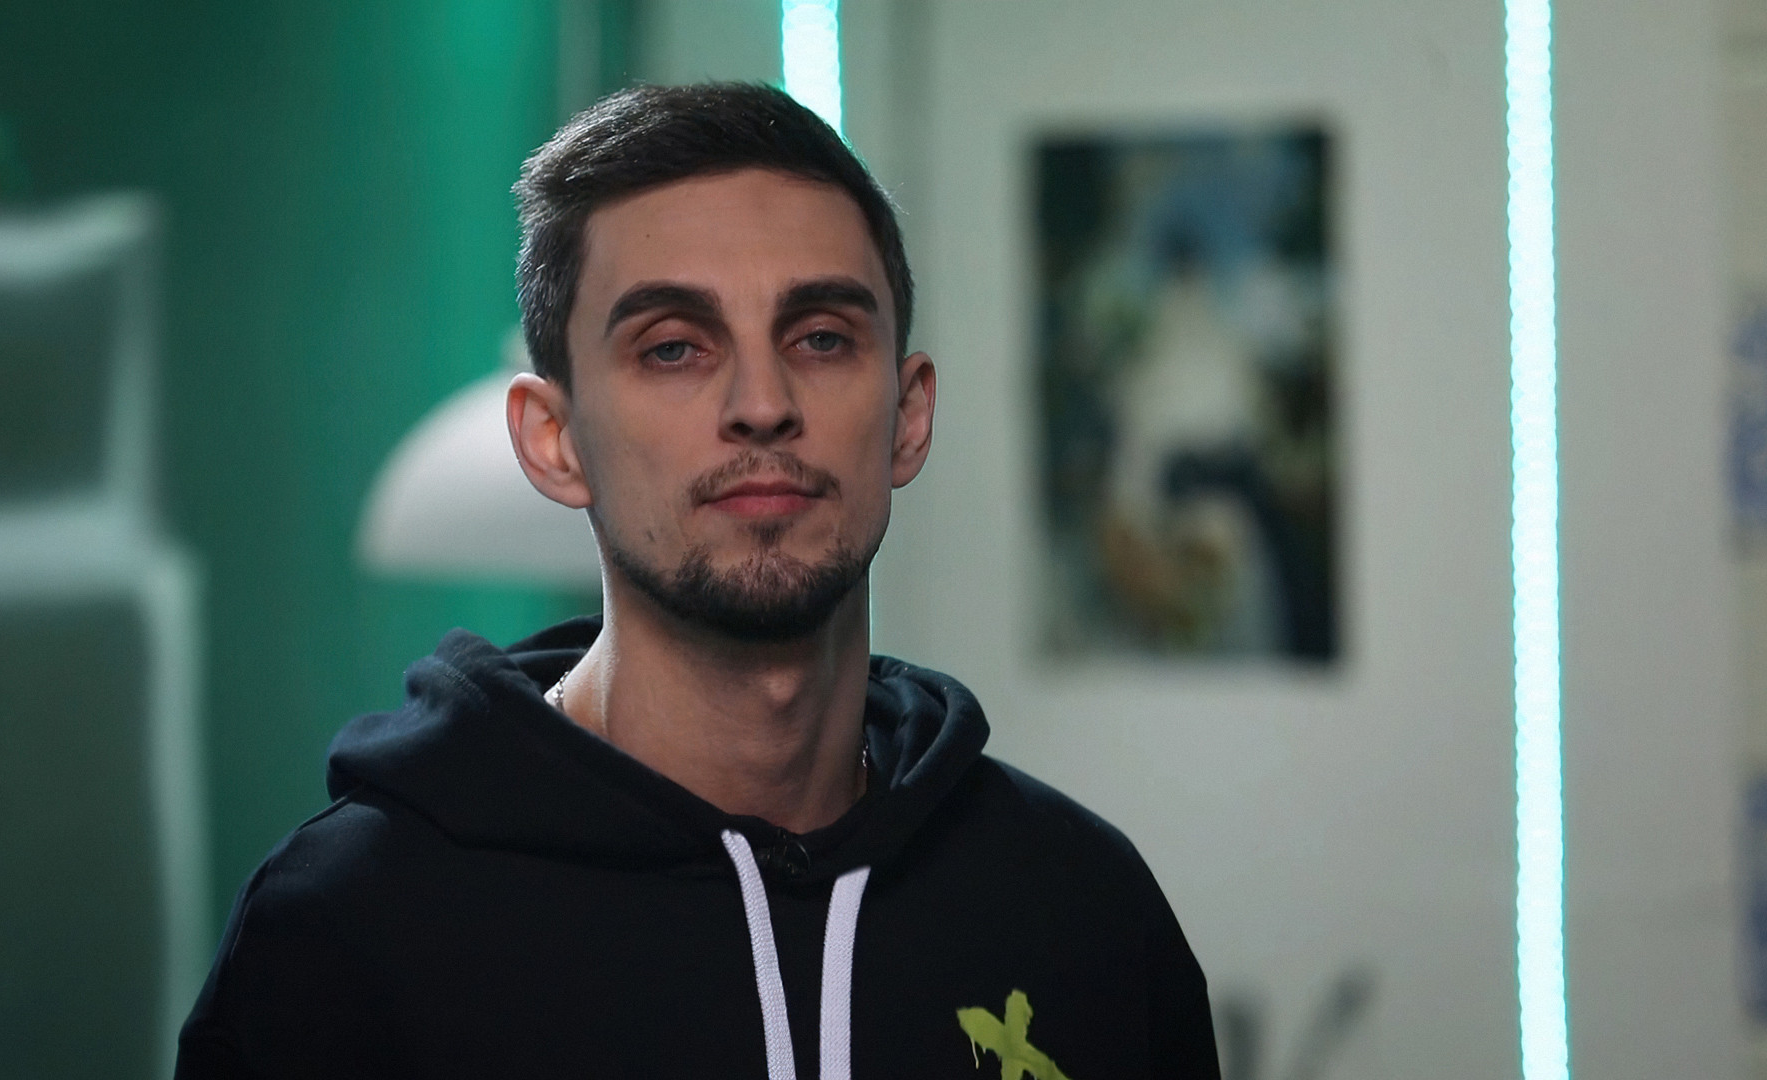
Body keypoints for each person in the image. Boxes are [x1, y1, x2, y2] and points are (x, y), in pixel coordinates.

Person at [176, 82, 1220, 1080]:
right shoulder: (345, 933)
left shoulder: (1083, 910)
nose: (762, 403)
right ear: (553, 441)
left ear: (907, 418)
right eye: (674, 348)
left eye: (821, 338)